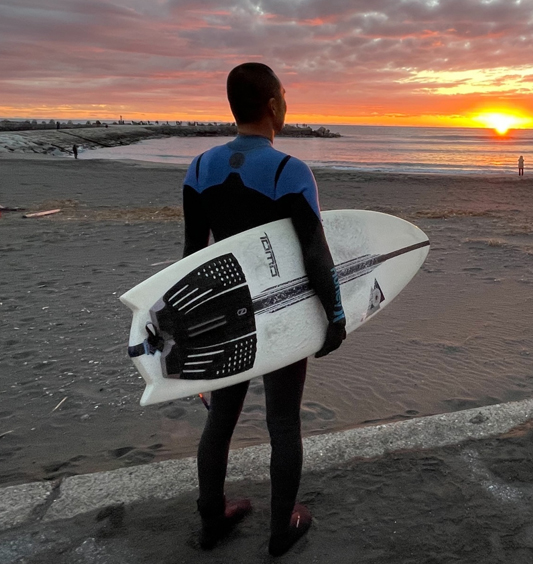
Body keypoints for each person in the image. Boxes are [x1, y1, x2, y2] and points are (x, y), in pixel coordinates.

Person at [181, 62, 346, 556]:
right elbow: (315, 252)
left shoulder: (199, 168)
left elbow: (192, 257)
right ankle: (281, 529)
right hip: (280, 317)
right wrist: (334, 313)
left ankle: (213, 520)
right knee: (283, 425)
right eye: (285, 95)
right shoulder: (288, 171)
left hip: (226, 315)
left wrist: (196, 329)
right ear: (274, 105)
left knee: (221, 420)